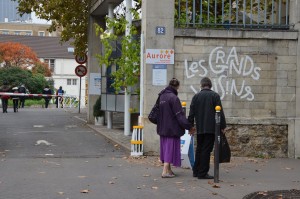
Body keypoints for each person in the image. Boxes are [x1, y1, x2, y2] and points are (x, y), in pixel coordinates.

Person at [188, 77, 226, 179]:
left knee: (199, 149)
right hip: (211, 128)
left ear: (201, 85)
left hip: (200, 127)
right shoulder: (215, 96)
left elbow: (191, 113)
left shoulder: (196, 97)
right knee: (206, 150)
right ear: (210, 85)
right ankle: (203, 173)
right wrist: (222, 126)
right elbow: (220, 113)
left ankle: (196, 171)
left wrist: (190, 126)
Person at [157, 78, 194, 178]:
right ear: (177, 87)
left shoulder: (162, 96)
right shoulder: (174, 98)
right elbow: (180, 116)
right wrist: (189, 126)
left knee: (165, 148)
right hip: (171, 128)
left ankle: (169, 170)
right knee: (169, 148)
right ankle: (165, 171)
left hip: (162, 127)